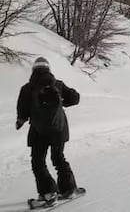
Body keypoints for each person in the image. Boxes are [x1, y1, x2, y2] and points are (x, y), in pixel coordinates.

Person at [16, 57, 81, 206]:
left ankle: (48, 193)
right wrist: (61, 104)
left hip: (38, 131)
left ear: (33, 70)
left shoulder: (27, 88)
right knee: (58, 158)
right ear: (48, 69)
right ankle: (69, 189)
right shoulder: (58, 84)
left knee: (38, 162)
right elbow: (75, 98)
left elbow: (22, 110)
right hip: (58, 128)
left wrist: (20, 120)